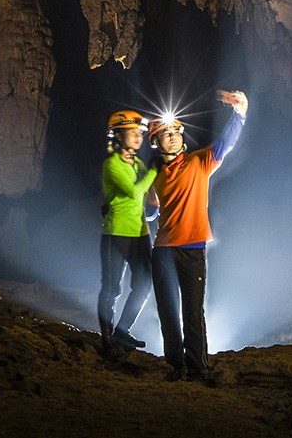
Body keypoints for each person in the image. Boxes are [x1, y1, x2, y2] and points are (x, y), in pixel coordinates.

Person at [148, 89, 249, 384]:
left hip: (192, 248)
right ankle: (175, 365)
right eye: (165, 133)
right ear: (156, 141)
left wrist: (240, 112)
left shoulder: (199, 162)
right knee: (167, 310)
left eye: (176, 131)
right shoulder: (154, 177)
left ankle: (196, 369)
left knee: (192, 311)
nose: (173, 136)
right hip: (163, 249)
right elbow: (151, 213)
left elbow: (225, 144)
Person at [97, 109, 157, 357]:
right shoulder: (112, 164)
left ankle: (123, 330)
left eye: (140, 133)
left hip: (140, 233)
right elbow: (134, 192)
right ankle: (107, 340)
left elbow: (147, 194)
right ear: (118, 135)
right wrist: (154, 170)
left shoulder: (139, 163)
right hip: (116, 235)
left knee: (144, 283)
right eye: (133, 132)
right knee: (112, 288)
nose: (138, 137)